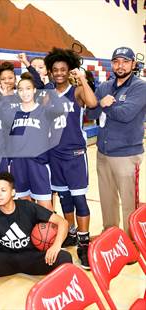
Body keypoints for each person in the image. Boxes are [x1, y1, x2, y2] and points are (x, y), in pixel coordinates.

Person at [0, 172, 72, 310]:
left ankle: (65, 301)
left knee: (64, 257)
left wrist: (56, 246)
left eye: (3, 190)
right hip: (7, 259)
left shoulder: (27, 207)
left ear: (13, 192)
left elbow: (62, 223)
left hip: (32, 257)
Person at [44, 47, 97, 269]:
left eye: (62, 70)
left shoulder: (75, 91)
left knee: (79, 199)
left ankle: (84, 242)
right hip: (54, 154)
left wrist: (82, 79)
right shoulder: (46, 93)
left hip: (74, 154)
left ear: (69, 71)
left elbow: (93, 104)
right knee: (65, 198)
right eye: (54, 70)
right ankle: (72, 232)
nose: (58, 73)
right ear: (50, 72)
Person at [86, 47, 146, 234]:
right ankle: (110, 234)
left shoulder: (140, 87)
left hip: (127, 154)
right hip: (103, 153)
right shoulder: (105, 86)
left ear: (133, 64)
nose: (120, 66)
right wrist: (102, 104)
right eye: (117, 61)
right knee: (107, 198)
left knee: (129, 202)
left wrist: (104, 105)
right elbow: (90, 111)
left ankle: (132, 239)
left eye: (125, 61)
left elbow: (125, 114)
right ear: (112, 64)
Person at [7, 73, 64, 211]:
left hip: (38, 164)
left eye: (28, 88)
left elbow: (60, 109)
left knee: (45, 205)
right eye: (20, 89)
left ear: (34, 90)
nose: (24, 92)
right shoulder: (13, 112)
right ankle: (30, 232)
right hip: (19, 164)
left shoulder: (44, 110)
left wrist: (50, 89)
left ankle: (50, 232)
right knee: (24, 204)